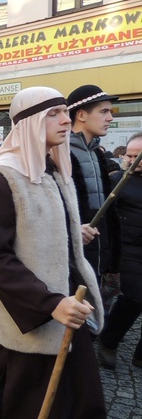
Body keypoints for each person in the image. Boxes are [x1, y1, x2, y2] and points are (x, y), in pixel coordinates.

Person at [0, 87, 105, 418]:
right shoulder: (3, 178)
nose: (65, 120)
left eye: (65, 111)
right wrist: (52, 304)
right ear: (30, 122)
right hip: (29, 329)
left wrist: (71, 234)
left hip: (66, 315)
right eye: (54, 113)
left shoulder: (52, 168)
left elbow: (34, 226)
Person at [66, 84, 121, 311]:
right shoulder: (60, 152)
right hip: (72, 255)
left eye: (110, 112)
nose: (109, 117)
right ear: (81, 115)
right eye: (103, 111)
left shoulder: (97, 153)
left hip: (97, 250)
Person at [96, 132, 142, 369]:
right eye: (130, 155)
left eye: (138, 156)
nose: (132, 160)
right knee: (134, 296)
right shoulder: (118, 180)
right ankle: (108, 341)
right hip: (127, 248)